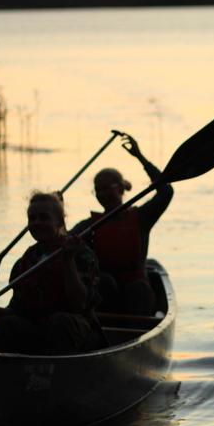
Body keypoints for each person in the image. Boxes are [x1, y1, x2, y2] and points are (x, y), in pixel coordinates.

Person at [0, 192, 105, 355]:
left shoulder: (82, 254)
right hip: (36, 329)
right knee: (5, 325)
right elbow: (18, 311)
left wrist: (68, 261)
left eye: (44, 218)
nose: (37, 223)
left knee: (60, 322)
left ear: (60, 221)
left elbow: (79, 305)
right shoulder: (25, 261)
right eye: (32, 218)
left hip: (76, 332)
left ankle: (59, 373)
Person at [71, 133, 173, 316]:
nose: (101, 194)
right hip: (107, 296)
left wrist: (140, 157)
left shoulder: (142, 218)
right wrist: (57, 206)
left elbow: (166, 191)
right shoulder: (90, 225)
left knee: (137, 288)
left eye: (106, 188)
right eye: (97, 190)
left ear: (119, 189)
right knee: (104, 282)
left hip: (138, 295)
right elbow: (65, 239)